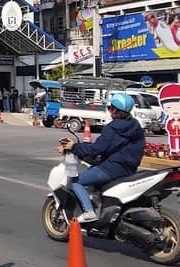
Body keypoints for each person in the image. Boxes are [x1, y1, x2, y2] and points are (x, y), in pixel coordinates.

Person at [58, 92, 145, 223]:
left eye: (110, 108)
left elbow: (98, 149)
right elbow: (113, 148)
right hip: (130, 170)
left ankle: (89, 212)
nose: (109, 110)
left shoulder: (113, 128)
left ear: (115, 110)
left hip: (111, 169)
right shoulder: (135, 126)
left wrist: (73, 147)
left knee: (76, 182)